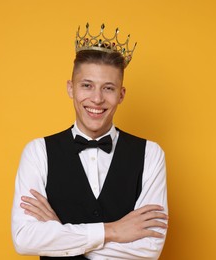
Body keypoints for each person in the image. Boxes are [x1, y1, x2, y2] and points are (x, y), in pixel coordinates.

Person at [11, 23, 168, 259]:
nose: (96, 99)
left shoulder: (151, 154)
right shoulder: (37, 152)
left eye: (108, 88)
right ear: (71, 88)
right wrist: (113, 231)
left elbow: (148, 249)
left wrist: (59, 233)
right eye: (87, 85)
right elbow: (24, 239)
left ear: (121, 94)